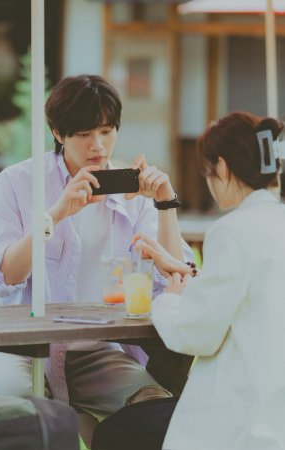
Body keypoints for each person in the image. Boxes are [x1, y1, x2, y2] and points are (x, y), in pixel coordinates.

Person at [0, 74, 193, 423]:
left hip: (97, 351)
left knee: (154, 409)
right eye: (85, 134)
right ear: (59, 134)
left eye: (106, 131)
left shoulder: (131, 191)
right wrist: (55, 215)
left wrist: (165, 203)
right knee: (20, 416)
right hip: (15, 347)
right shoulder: (17, 183)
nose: (98, 146)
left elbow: (176, 278)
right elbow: (3, 276)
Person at [92, 111, 285, 450]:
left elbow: (196, 334)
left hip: (241, 416)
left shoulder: (232, 230)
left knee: (113, 432)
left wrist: (169, 299)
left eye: (207, 173)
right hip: (274, 412)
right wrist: (183, 271)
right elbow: (247, 297)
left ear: (221, 167)